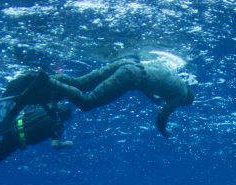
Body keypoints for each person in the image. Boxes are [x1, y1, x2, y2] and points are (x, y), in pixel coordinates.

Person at [45, 57, 194, 138]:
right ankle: (49, 82)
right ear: (186, 101)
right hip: (130, 76)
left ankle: (44, 78)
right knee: (87, 102)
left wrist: (152, 98)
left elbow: (150, 80)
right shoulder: (181, 96)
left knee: (80, 83)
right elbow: (163, 116)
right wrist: (164, 132)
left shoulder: (176, 79)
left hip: (128, 63)